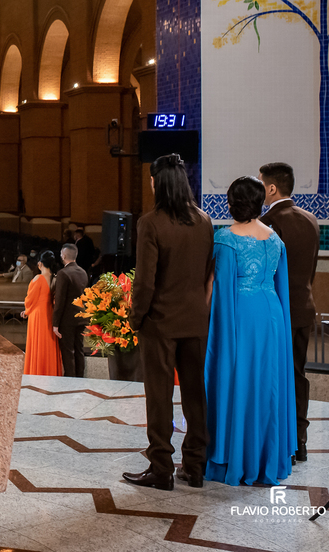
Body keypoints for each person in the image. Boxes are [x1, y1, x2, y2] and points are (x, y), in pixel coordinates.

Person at [122, 153, 214, 491]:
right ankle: (195, 465)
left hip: (160, 323)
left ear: (158, 183)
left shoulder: (151, 222)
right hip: (195, 321)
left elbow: (145, 282)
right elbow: (207, 273)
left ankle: (161, 467)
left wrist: (136, 318)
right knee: (194, 394)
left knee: (159, 396)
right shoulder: (204, 221)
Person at [204, 175, 296, 486]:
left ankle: (234, 458)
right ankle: (266, 459)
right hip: (273, 317)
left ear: (231, 202)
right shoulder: (274, 239)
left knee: (238, 380)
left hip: (241, 316)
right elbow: (280, 286)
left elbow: (219, 294)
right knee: (267, 383)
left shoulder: (225, 239)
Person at [259, 161, 319, 464]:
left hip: (277, 312)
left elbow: (266, 274)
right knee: (298, 374)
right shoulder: (311, 220)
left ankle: (277, 442)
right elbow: (312, 270)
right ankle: (300, 439)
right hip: (304, 309)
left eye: (261, 184)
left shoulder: (269, 223)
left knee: (273, 376)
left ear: (271, 188)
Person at [21, 250, 63, 376]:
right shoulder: (56, 279)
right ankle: (50, 372)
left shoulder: (38, 278)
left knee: (37, 345)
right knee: (49, 344)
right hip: (50, 314)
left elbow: (30, 299)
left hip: (38, 316)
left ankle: (37, 373)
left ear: (40, 264)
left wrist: (27, 311)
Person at [50, 243, 88, 379]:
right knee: (79, 349)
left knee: (68, 351)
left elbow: (59, 300)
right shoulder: (83, 272)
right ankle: (80, 378)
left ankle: (70, 380)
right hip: (82, 316)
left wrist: (55, 323)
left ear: (64, 255)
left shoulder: (63, 273)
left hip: (67, 319)